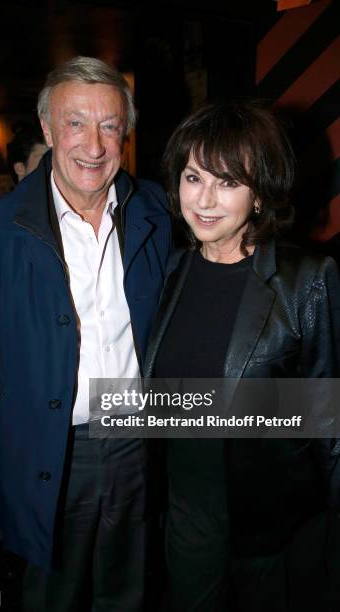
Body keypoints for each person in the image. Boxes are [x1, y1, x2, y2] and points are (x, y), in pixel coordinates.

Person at [0, 56, 171, 611]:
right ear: (49, 130)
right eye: (76, 123)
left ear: (125, 134)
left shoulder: (157, 210)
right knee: (50, 590)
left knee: (128, 586)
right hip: (50, 446)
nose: (94, 146)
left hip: (133, 440)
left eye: (110, 126)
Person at [144, 99, 340, 611]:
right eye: (193, 177)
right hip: (186, 515)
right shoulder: (168, 273)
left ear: (259, 196)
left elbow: (331, 426)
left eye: (228, 182)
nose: (204, 199)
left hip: (272, 530)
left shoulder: (308, 282)